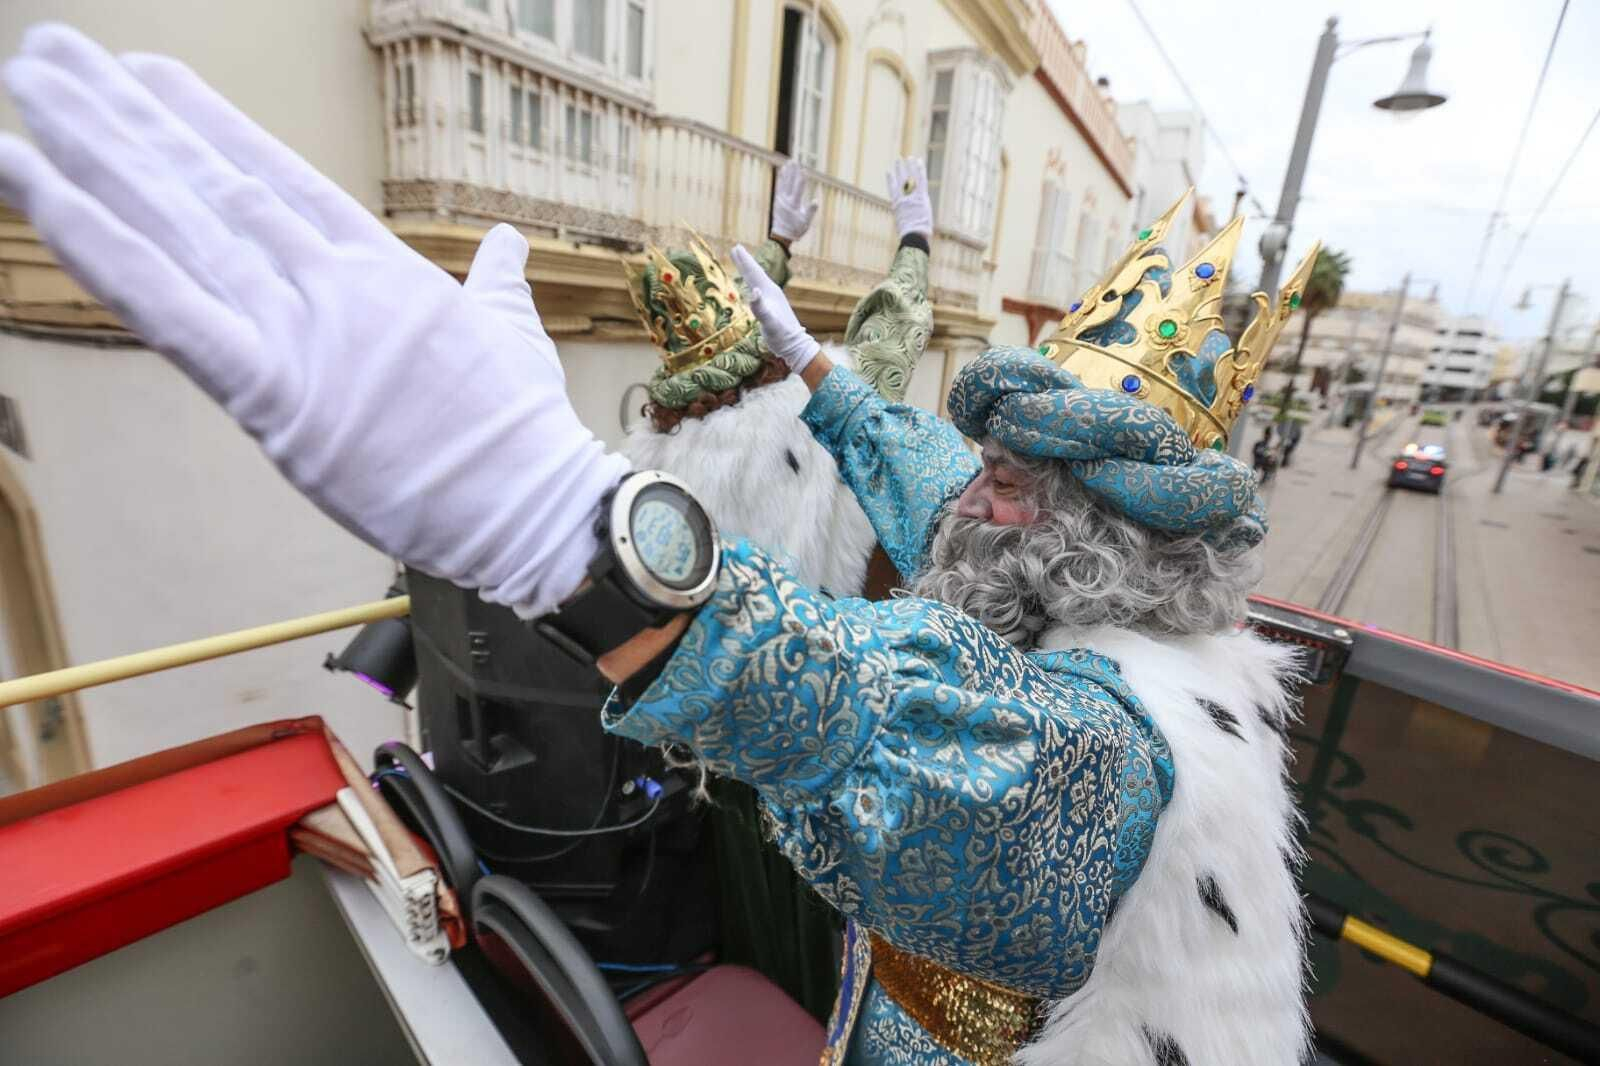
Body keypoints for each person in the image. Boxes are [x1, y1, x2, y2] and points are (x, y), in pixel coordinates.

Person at [0, 25, 1315, 1065]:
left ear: (1109, 535)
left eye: (1022, 477)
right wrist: (822, 367)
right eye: (995, 462)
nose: (980, 491)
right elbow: (930, 482)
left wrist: (568, 525)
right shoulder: (1031, 551)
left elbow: (873, 721)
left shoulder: (1122, 747)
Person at [615, 156, 937, 1018]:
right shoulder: (820, 417)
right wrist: (914, 238)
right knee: (840, 934)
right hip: (830, 749)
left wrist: (780, 242)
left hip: (726, 758)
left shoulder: (651, 468)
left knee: (753, 910)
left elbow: (723, 336)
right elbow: (894, 330)